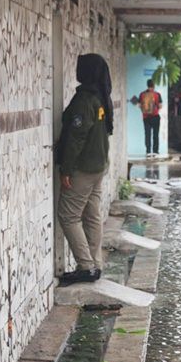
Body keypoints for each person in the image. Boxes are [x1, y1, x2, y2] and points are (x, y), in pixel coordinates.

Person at [56, 54, 114, 286]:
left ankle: (86, 266)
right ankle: (95, 264)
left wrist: (67, 169)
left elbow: (76, 137)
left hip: (83, 168)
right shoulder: (100, 97)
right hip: (98, 165)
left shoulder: (85, 100)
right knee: (91, 215)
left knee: (68, 215)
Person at [139, 79, 163, 158]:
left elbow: (139, 105)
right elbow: (160, 106)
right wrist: (155, 110)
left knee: (147, 134)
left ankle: (148, 151)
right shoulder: (157, 94)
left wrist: (144, 111)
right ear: (154, 86)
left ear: (147, 85)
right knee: (155, 134)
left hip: (146, 117)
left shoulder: (142, 94)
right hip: (155, 117)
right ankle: (155, 151)